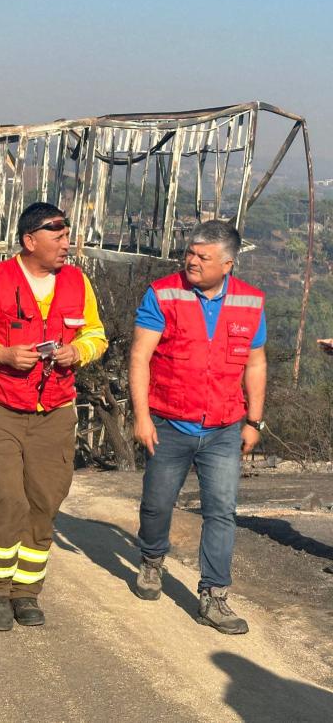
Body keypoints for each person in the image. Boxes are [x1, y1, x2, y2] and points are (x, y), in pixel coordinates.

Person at [0, 202, 107, 630]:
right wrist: (0, 353)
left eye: (66, 235)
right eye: (57, 236)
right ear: (30, 241)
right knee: (6, 498)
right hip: (1, 405)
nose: (66, 244)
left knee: (44, 502)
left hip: (56, 411)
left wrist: (78, 351)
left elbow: (96, 335)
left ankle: (26, 592)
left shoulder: (79, 283)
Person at [129, 220, 267, 635]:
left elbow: (255, 363)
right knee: (156, 504)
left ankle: (215, 595)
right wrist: (140, 417)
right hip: (169, 423)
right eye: (189, 252)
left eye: (202, 257)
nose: (191, 260)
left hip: (224, 427)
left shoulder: (251, 302)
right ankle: (152, 559)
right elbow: (140, 357)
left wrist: (254, 420)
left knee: (221, 510)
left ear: (227, 263)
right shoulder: (164, 293)